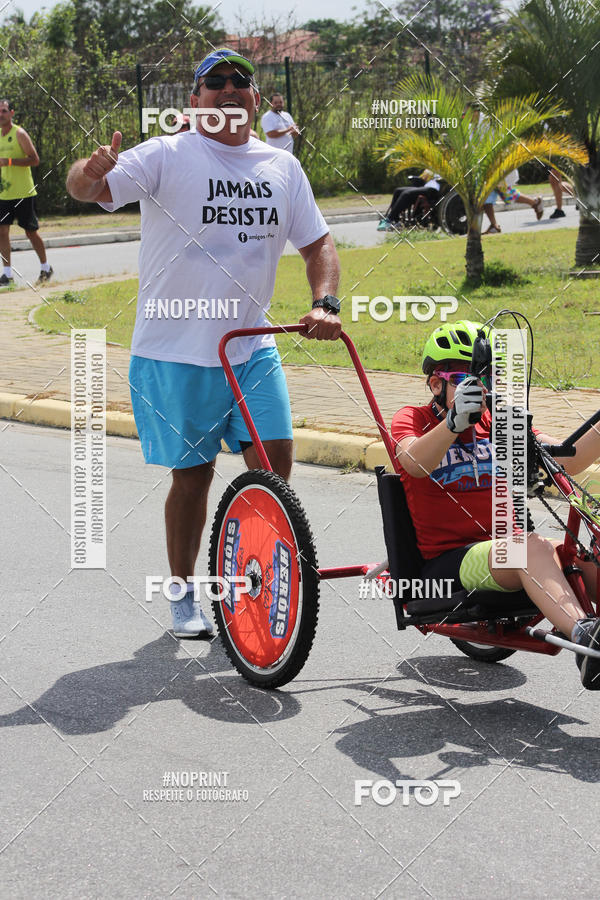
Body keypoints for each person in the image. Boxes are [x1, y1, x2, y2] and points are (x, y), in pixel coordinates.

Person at [66, 47, 341, 638]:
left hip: (252, 346)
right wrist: (89, 171)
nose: (227, 88)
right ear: (193, 102)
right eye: (212, 82)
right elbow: (85, 191)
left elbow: (318, 244)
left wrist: (325, 302)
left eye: (240, 81)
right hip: (176, 352)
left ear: (257, 100)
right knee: (192, 478)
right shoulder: (168, 152)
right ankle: (183, 593)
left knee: (276, 465)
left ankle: (260, 578)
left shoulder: (281, 167)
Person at [391, 320, 600, 690]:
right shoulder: (414, 418)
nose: (480, 390)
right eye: (465, 379)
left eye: (486, 379)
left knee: (584, 557)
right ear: (436, 384)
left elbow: (564, 458)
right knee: (528, 547)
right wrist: (454, 422)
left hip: (504, 551)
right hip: (447, 565)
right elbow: (413, 462)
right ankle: (585, 642)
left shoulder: (500, 423)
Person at [0, 99, 53, 286]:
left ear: (12, 113)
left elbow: (35, 159)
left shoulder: (19, 134)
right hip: (4, 194)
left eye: (4, 111)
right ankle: (7, 275)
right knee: (2, 231)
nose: (1, 114)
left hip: (24, 192)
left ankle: (46, 268)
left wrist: (11, 162)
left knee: (31, 232)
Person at [483, 170, 543, 234]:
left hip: (499, 172)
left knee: (506, 196)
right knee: (488, 198)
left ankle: (535, 202)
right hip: (493, 173)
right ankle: (494, 225)